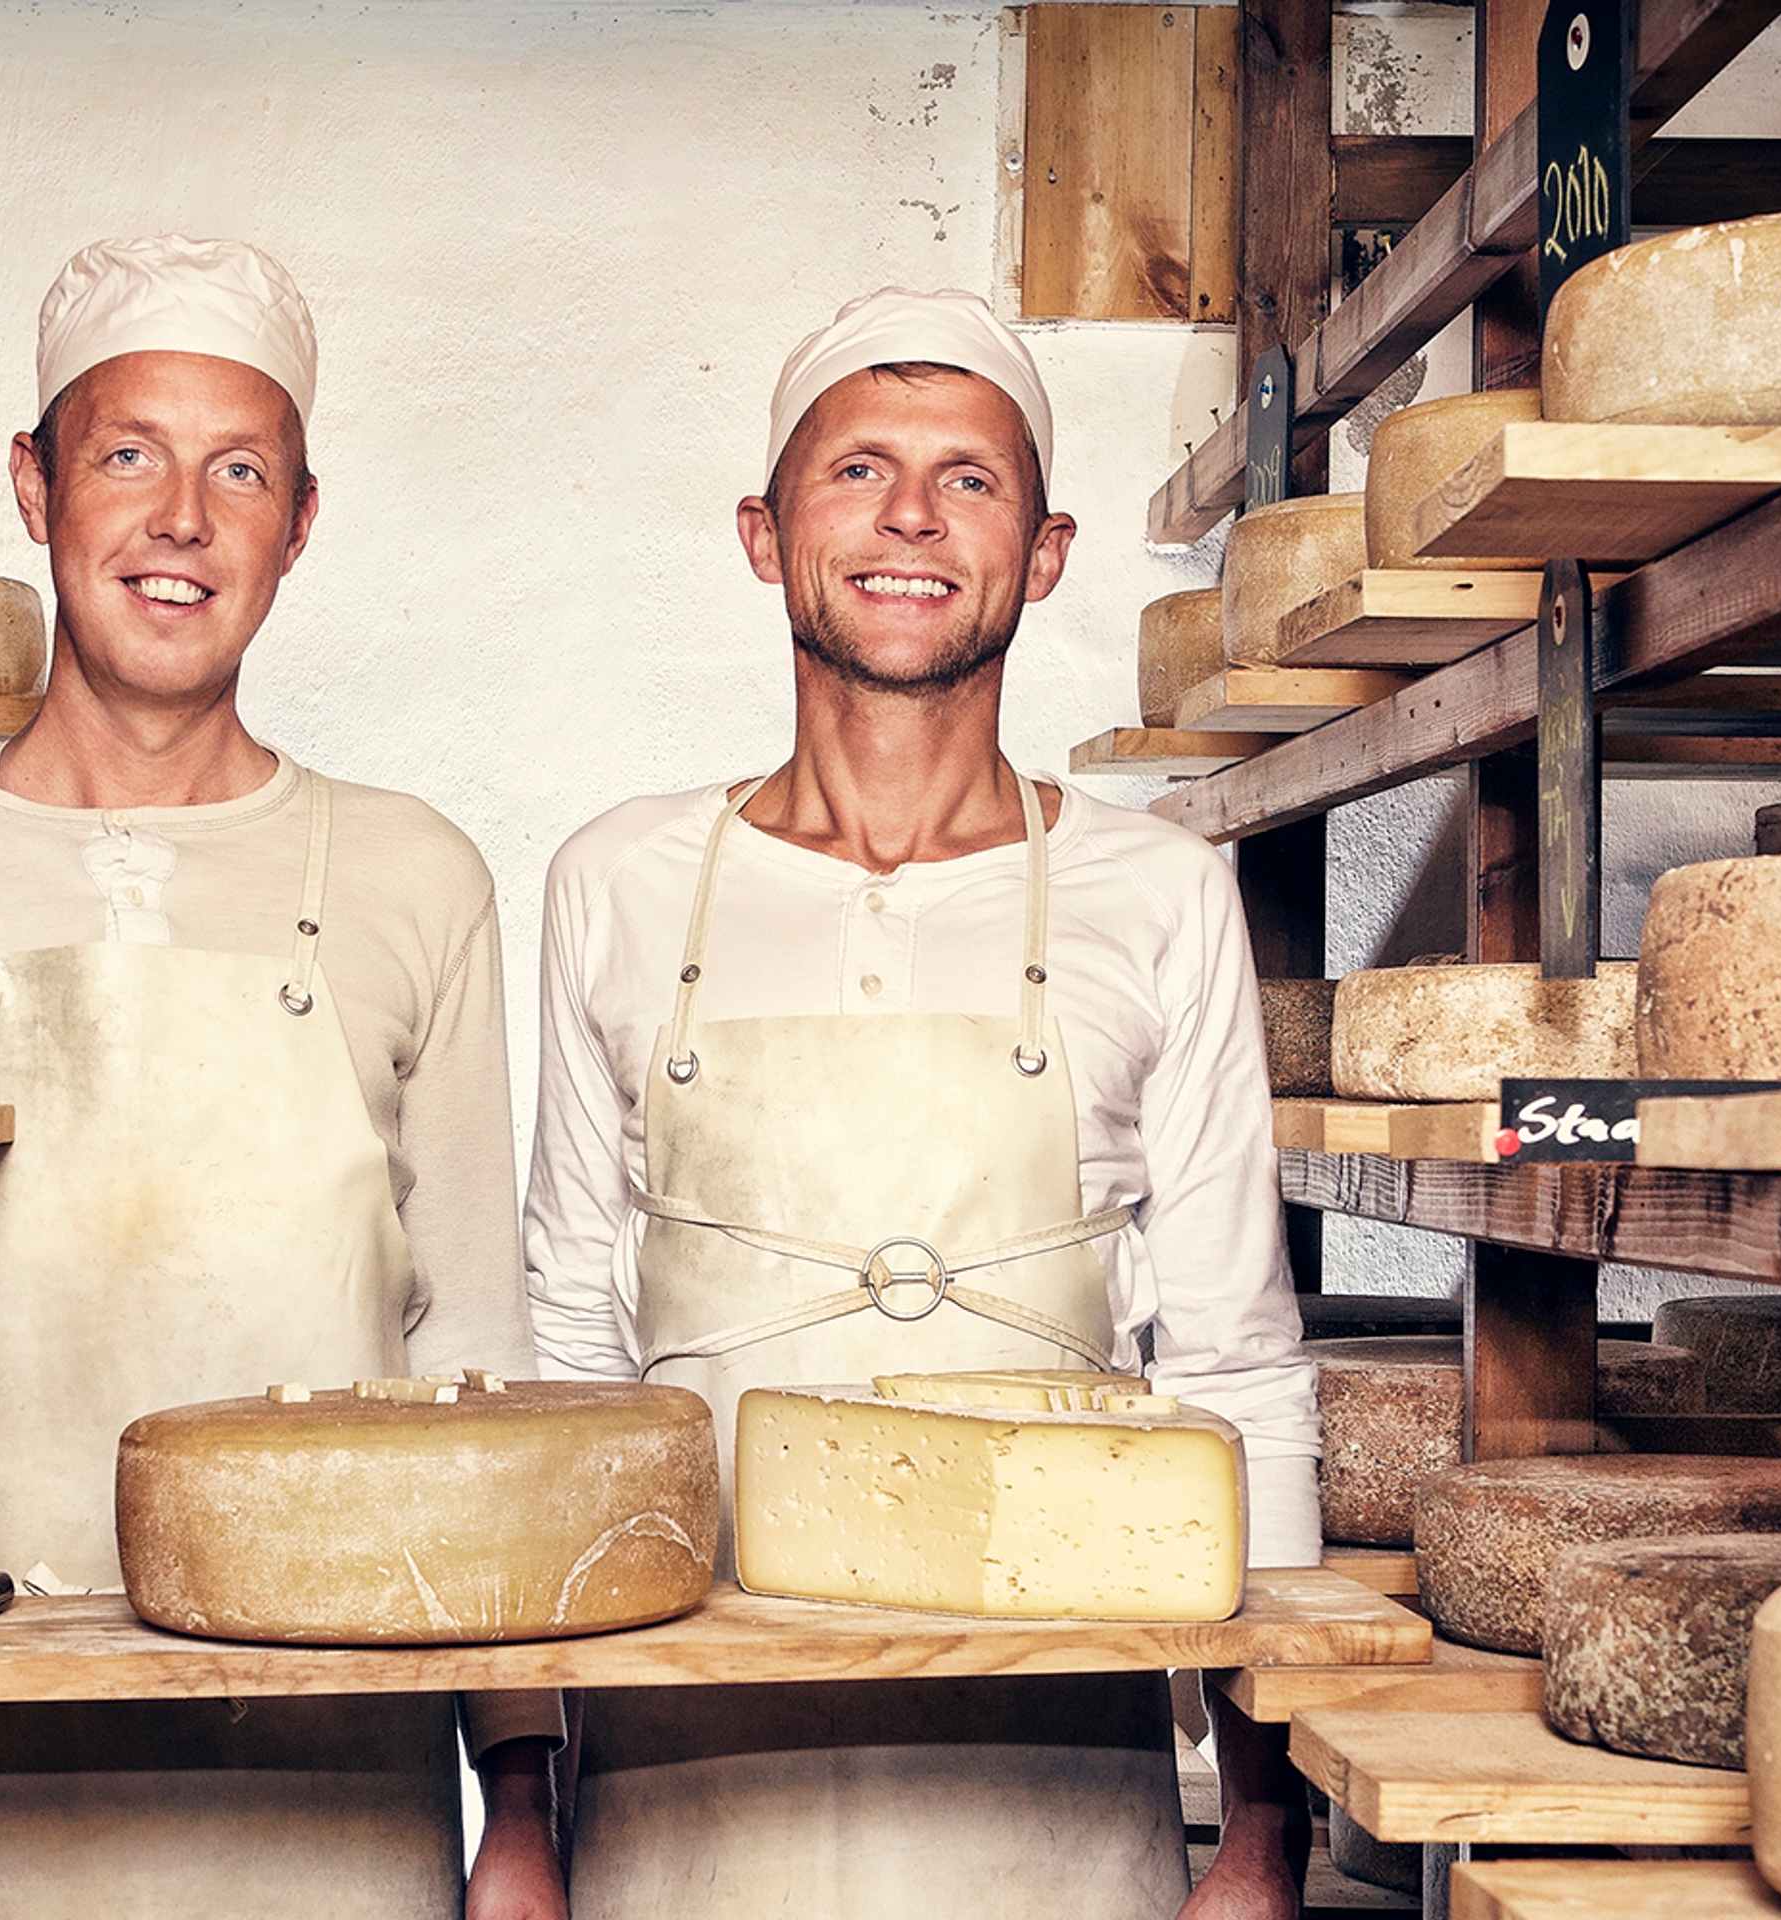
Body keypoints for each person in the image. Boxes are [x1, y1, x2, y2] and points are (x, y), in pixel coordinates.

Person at [0, 235, 566, 1920]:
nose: (181, 518)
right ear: (35, 489)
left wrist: (523, 1807)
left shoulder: (413, 873)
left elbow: (473, 1353)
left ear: (297, 526)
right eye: (128, 455)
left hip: (334, 1763)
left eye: (237, 470)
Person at [521, 287, 1322, 1919]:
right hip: (684, 1778)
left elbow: (1236, 1364)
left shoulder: (1156, 893)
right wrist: (523, 1817)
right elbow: (565, 1364)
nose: (910, 518)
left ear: (1044, 552)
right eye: (858, 471)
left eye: (969, 480)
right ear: (765, 533)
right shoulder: (616, 883)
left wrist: (1261, 1829)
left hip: (1049, 1764)